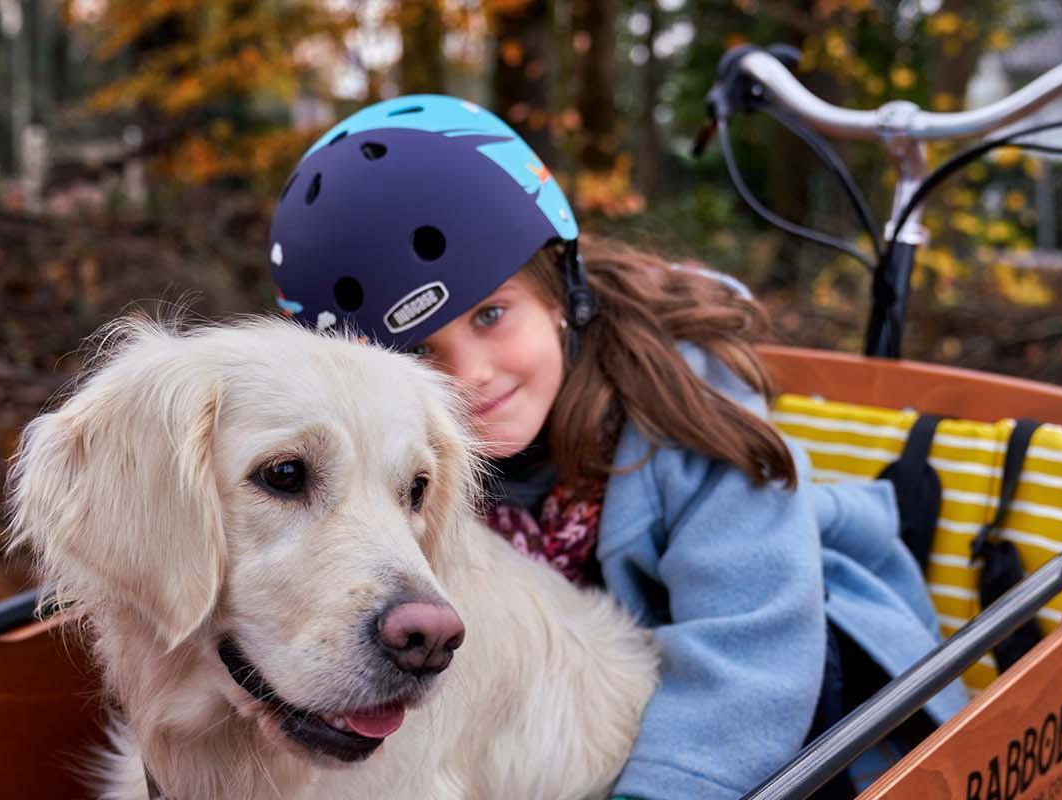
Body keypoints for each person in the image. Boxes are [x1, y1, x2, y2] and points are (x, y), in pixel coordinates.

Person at [265, 95, 965, 798]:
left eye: (491, 314)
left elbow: (751, 648)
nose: (471, 375)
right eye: (419, 350)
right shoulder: (397, 471)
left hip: (789, 677)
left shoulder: (680, 406)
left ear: (560, 289)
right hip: (595, 713)